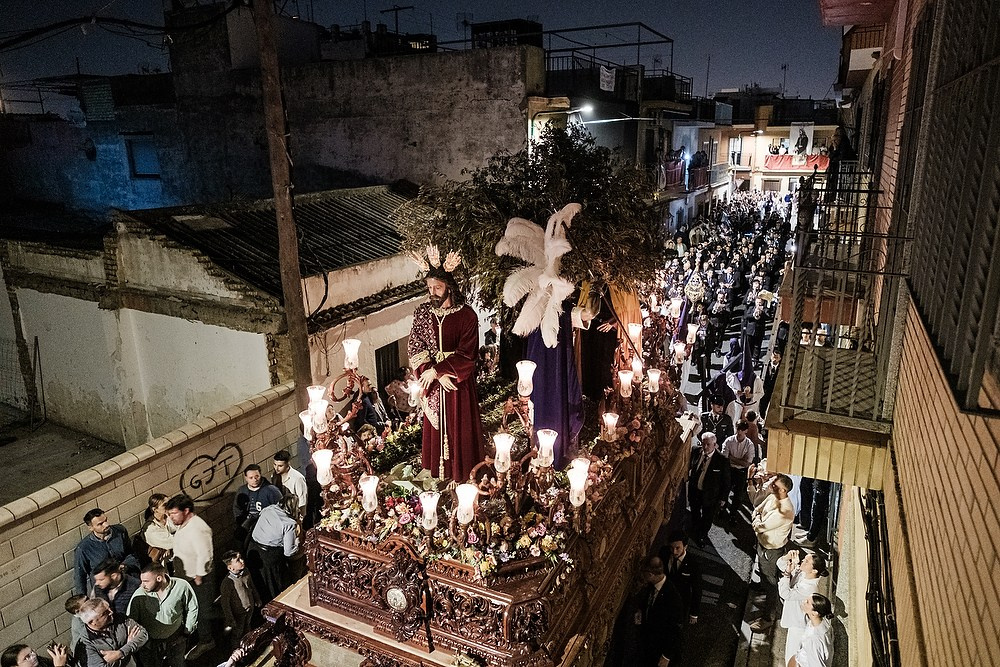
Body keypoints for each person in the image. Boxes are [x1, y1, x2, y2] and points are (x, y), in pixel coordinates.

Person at [407, 255, 485, 481]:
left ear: (449, 287)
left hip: (457, 382)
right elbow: (415, 346)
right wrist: (433, 372)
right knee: (437, 428)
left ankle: (463, 472)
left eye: (437, 287)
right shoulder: (423, 313)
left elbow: (467, 353)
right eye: (429, 287)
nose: (432, 292)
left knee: (460, 426)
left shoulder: (467, 315)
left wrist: (440, 370)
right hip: (434, 382)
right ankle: (441, 473)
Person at [164, 494, 215, 658]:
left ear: (186, 511)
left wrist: (199, 576)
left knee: (201, 611)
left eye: (174, 513)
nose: (171, 517)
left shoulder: (198, 528)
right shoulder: (182, 524)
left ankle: (207, 641)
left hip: (197, 580)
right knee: (193, 609)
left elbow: (205, 555)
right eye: (169, 514)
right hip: (186, 578)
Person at [127, 563, 198, 667]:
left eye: (146, 581)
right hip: (150, 643)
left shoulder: (181, 586)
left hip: (175, 638)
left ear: (159, 578)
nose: (142, 585)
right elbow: (131, 620)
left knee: (178, 663)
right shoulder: (139, 595)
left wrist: (186, 632)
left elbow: (192, 608)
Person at [750, 474, 795, 630]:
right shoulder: (772, 497)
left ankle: (768, 617)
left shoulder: (785, 511)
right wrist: (757, 517)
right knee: (763, 572)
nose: (771, 485)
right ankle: (761, 584)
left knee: (771, 584)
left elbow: (760, 527)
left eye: (775, 484)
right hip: (763, 544)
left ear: (783, 490)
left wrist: (756, 519)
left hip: (772, 550)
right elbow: (757, 508)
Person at [779, 551, 830, 664]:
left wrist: (787, 574)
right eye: (804, 559)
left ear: (814, 571)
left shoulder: (809, 588)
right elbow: (780, 564)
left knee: (792, 658)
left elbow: (785, 593)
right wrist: (788, 558)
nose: (803, 561)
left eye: (807, 561)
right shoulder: (803, 573)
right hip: (794, 622)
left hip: (798, 626)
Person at [74, 508, 139, 595]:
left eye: (106, 520)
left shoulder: (120, 531)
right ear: (91, 528)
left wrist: (125, 565)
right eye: (100, 524)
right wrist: (82, 597)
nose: (106, 525)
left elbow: (131, 553)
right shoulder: (83, 548)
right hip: (104, 590)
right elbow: (80, 577)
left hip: (126, 581)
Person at [248, 493, 300, 602]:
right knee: (272, 588)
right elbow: (288, 552)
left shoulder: (268, 509)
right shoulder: (289, 524)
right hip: (269, 557)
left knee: (256, 582)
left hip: (252, 549)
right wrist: (297, 542)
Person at [633, 556, 684, 667]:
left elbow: (675, 630)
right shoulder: (651, 587)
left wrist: (666, 656)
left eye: (644, 573)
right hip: (648, 643)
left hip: (660, 649)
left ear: (650, 575)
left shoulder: (672, 597)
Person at [76, 597, 147, 667]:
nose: (111, 612)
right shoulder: (85, 643)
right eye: (105, 612)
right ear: (92, 622)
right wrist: (128, 649)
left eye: (109, 608)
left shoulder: (119, 618)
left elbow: (143, 634)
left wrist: (121, 652)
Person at [687, 432, 730, 547]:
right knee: (695, 513)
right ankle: (695, 530)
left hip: (711, 495)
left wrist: (723, 498)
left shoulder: (722, 460)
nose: (705, 447)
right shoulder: (695, 451)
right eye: (703, 444)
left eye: (708, 445)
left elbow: (726, 482)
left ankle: (702, 536)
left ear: (715, 445)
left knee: (707, 518)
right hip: (695, 491)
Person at [219, 551, 261, 650]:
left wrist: (257, 598)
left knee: (248, 627)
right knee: (237, 633)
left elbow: (251, 586)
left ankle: (248, 648)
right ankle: (236, 651)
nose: (242, 561)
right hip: (238, 613)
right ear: (230, 568)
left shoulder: (246, 572)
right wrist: (230, 619)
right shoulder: (227, 583)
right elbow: (225, 603)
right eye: (238, 560)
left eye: (241, 558)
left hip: (250, 608)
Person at [659, 532, 702, 626]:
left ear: (685, 547)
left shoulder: (693, 564)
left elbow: (697, 589)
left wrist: (694, 613)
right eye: (671, 547)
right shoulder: (664, 552)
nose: (674, 551)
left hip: (681, 601)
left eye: (677, 548)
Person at [233, 464, 282, 545]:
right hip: (248, 525)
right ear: (246, 478)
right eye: (251, 478)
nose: (254, 480)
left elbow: (281, 509)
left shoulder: (271, 490)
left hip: (266, 527)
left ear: (260, 475)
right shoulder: (242, 491)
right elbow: (237, 509)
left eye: (257, 477)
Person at [787, 593, 835, 667]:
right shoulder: (823, 623)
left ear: (815, 613)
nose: (804, 601)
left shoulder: (814, 640)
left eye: (808, 602)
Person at [722, 420, 755, 522]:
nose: (739, 432)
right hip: (729, 469)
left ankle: (733, 514)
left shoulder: (749, 445)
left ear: (746, 431)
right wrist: (741, 460)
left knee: (738, 494)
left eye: (742, 429)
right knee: (725, 490)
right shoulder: (729, 441)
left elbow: (747, 464)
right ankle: (722, 509)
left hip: (741, 472)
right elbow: (725, 458)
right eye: (738, 429)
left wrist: (732, 458)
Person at [139, 494, 175, 566]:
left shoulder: (168, 516)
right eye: (165, 505)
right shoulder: (151, 529)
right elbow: (173, 542)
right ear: (155, 509)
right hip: (161, 564)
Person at [1, 645, 69, 667]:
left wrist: (62, 657)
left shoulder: (41, 662)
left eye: (32, 652)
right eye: (27, 657)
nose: (33, 656)